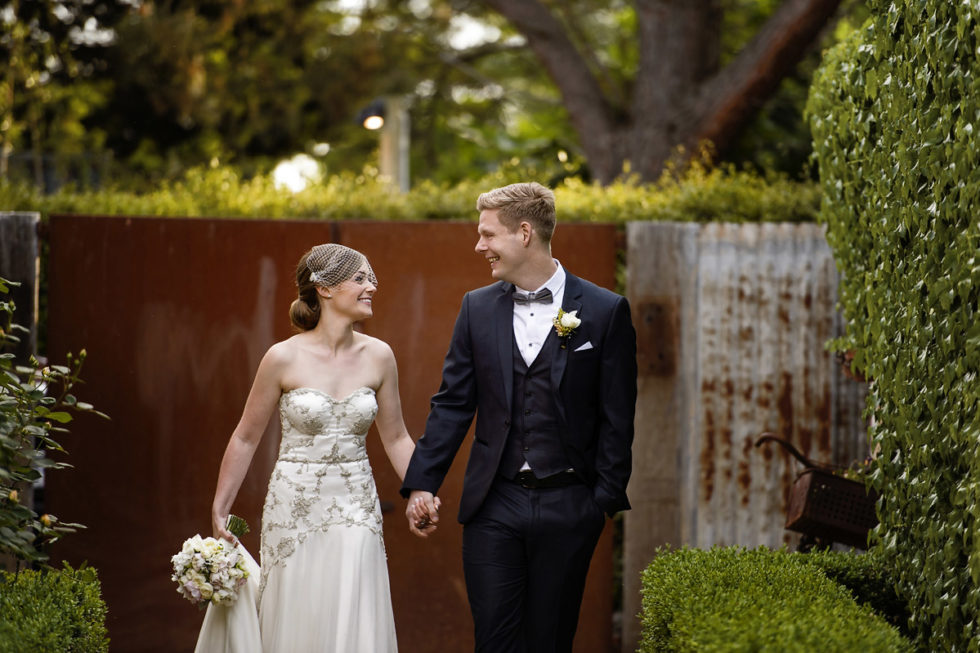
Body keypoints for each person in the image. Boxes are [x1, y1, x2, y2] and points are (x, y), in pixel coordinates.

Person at [401, 182, 637, 652]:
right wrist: (422, 483)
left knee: (550, 640)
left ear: (524, 232)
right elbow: (452, 403)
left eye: (488, 234)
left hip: (570, 503)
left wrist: (601, 500)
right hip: (495, 503)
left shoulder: (606, 311)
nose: (479, 245)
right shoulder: (477, 308)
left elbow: (618, 415)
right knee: (495, 640)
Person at [201, 244, 421, 652]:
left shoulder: (380, 356)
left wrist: (421, 490)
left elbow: (396, 437)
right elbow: (246, 437)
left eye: (370, 278)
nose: (372, 286)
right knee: (299, 611)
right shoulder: (282, 358)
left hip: (357, 505)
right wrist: (220, 507)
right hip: (294, 506)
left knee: (355, 604)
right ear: (324, 288)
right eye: (360, 278)